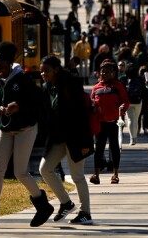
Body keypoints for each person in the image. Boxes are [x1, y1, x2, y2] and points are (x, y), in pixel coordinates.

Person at [0, 42, 53, 229]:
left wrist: (19, 106)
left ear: (10, 64)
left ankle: (43, 206)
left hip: (26, 128)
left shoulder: (23, 79)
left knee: (20, 172)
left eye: (1, 67)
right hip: (5, 128)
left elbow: (38, 101)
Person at [37, 56, 95, 226]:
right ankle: (66, 203)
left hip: (75, 137)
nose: (43, 73)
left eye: (46, 70)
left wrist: (85, 142)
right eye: (41, 70)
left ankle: (86, 213)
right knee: (45, 169)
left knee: (77, 176)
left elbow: (81, 114)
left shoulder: (71, 84)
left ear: (56, 69)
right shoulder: (47, 87)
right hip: (57, 138)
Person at [90, 60, 129, 185]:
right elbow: (91, 102)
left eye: (107, 72)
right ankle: (96, 175)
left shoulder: (118, 86)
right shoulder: (96, 87)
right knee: (98, 149)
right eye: (102, 72)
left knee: (114, 148)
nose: (104, 74)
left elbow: (126, 101)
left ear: (113, 73)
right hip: (100, 123)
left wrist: (122, 108)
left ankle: (115, 174)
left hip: (114, 123)